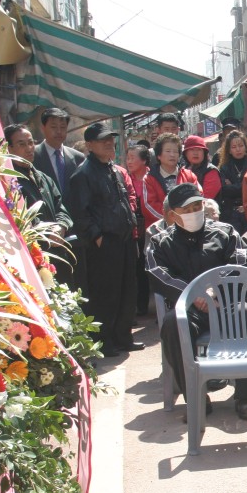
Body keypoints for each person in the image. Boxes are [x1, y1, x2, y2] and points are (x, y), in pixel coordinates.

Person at [148, 183, 247, 420]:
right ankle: (196, 398)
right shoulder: (160, 242)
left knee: (246, 312)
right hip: (188, 307)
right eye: (187, 209)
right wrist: (194, 294)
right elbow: (157, 273)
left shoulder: (225, 232)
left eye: (198, 206)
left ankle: (245, 397)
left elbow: (240, 263)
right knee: (173, 326)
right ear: (172, 215)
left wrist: (216, 291)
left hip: (226, 301)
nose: (195, 212)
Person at [65, 122, 142, 357]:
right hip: (105, 242)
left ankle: (123, 336)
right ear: (89, 145)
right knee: (105, 294)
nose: (109, 144)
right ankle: (104, 340)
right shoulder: (83, 174)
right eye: (102, 140)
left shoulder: (115, 170)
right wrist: (97, 237)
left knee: (128, 290)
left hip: (125, 239)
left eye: (110, 139)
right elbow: (80, 212)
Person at [6, 124, 75, 284]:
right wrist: (46, 235)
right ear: (8, 148)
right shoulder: (9, 182)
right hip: (33, 256)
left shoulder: (44, 178)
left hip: (58, 253)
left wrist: (61, 226)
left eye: (31, 143)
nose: (29, 148)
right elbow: (20, 218)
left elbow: (61, 208)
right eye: (22, 144)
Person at [143, 133, 198, 228]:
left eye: (176, 151)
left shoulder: (189, 175)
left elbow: (199, 198)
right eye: (168, 151)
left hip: (189, 226)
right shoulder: (149, 178)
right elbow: (149, 206)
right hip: (160, 229)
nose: (172, 155)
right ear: (159, 155)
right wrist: (172, 219)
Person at [33, 107, 85, 201]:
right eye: (53, 127)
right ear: (43, 128)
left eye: (63, 127)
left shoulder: (78, 158)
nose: (59, 131)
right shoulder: (33, 156)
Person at [125, 144, 152, 315]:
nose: (129, 161)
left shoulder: (152, 178)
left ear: (144, 160)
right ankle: (140, 306)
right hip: (135, 230)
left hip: (150, 227)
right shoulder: (126, 178)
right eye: (127, 158)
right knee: (137, 267)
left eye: (132, 157)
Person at [217, 129, 247, 233]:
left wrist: (234, 185)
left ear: (246, 147)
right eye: (234, 147)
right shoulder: (224, 168)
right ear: (229, 150)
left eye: (241, 146)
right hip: (230, 212)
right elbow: (225, 190)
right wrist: (243, 185)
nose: (238, 149)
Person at [182, 135, 221, 201]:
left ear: (204, 153)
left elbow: (206, 198)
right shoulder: (183, 170)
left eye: (199, 150)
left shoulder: (211, 171)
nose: (195, 153)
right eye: (192, 150)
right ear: (186, 153)